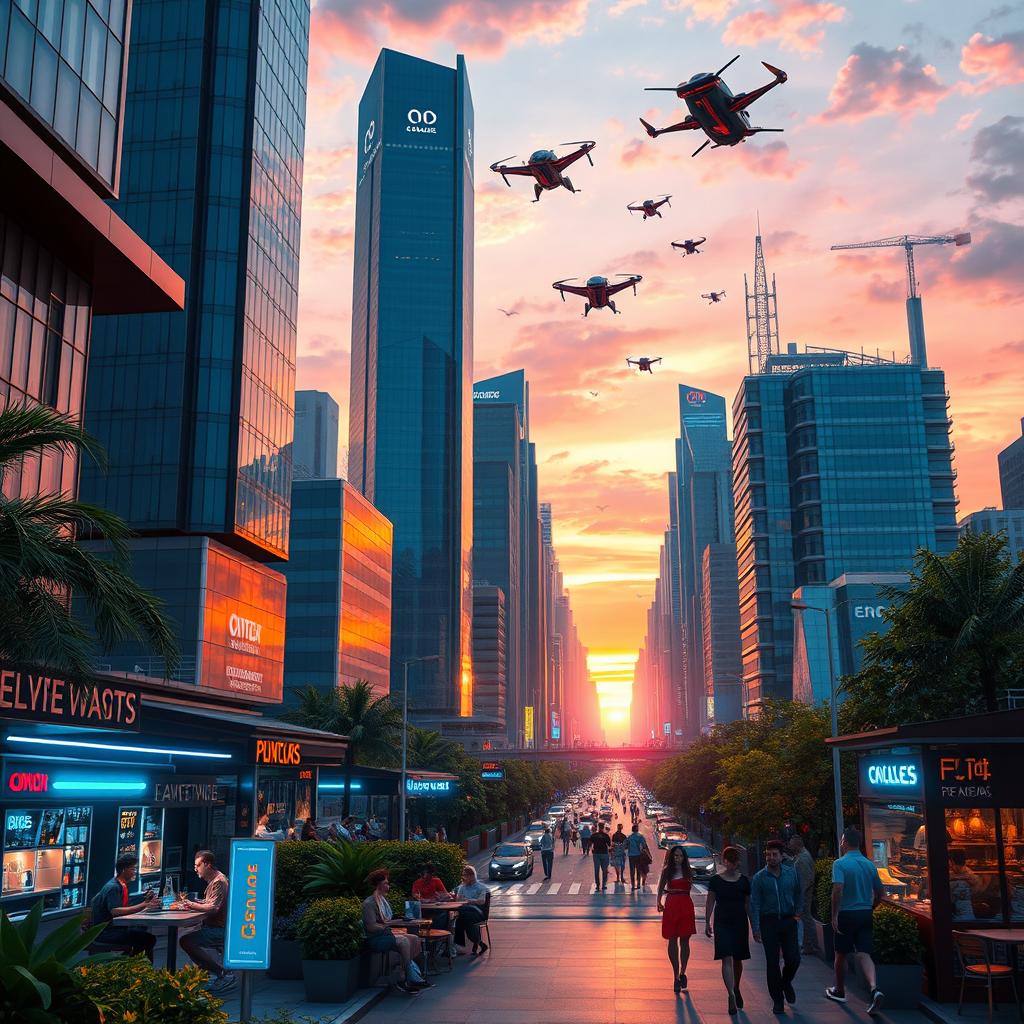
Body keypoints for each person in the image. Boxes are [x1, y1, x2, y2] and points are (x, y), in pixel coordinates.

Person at [826, 826, 886, 1015]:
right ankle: (874, 988)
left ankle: (839, 990)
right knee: (864, 953)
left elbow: (837, 889)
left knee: (841, 953)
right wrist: (872, 906)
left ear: (844, 842)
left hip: (846, 913)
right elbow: (880, 892)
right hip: (865, 913)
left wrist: (834, 914)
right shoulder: (869, 864)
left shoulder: (840, 864)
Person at [750, 839, 802, 1014]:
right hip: (769, 922)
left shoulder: (791, 873)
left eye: (774, 855)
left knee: (793, 958)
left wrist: (797, 914)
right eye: (768, 855)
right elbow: (755, 904)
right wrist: (756, 928)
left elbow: (799, 892)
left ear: (781, 856)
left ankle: (786, 982)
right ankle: (777, 999)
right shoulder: (759, 878)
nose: (770, 858)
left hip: (788, 921)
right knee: (772, 963)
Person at [361, 868, 429, 993]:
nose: (388, 885)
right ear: (379, 885)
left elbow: (387, 921)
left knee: (414, 938)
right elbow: (371, 927)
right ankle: (408, 977)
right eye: (386, 883)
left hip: (385, 933)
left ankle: (403, 975)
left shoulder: (383, 900)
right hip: (375, 938)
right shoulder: (370, 903)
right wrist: (389, 926)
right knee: (403, 940)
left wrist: (395, 923)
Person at [178, 850, 235, 992]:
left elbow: (213, 908)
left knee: (186, 941)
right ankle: (209, 974)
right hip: (214, 926)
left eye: (198, 865)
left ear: (207, 865)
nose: (195, 868)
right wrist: (196, 902)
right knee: (188, 936)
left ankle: (221, 972)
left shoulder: (219, 882)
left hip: (221, 929)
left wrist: (190, 904)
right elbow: (211, 902)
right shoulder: (214, 881)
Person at [705, 847, 751, 1015]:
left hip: (739, 922)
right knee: (726, 958)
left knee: (738, 959)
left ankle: (736, 987)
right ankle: (731, 994)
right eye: (728, 860)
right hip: (722, 923)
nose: (730, 863)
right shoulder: (716, 880)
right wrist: (707, 922)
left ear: (738, 861)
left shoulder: (744, 881)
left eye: (733, 860)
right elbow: (710, 901)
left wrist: (755, 926)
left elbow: (748, 905)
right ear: (723, 860)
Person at [90, 854, 158, 961]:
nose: (134, 872)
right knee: (148, 939)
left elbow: (124, 906)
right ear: (123, 870)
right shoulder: (113, 887)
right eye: (132, 869)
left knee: (142, 930)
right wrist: (144, 905)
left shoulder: (121, 884)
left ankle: (131, 964)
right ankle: (132, 966)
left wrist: (145, 900)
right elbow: (115, 911)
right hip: (106, 933)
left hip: (114, 928)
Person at [657, 845, 696, 994]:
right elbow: (660, 887)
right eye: (675, 856)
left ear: (684, 857)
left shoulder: (688, 871)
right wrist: (659, 902)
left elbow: (690, 887)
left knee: (685, 941)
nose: (677, 858)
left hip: (685, 904)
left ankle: (683, 971)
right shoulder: (668, 870)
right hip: (672, 904)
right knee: (672, 939)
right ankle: (675, 976)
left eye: (680, 856)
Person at [789, 835, 817, 954]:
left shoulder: (803, 859)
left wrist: (799, 896)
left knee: (806, 918)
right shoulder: (801, 856)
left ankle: (809, 946)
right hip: (803, 894)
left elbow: (805, 880)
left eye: (791, 844)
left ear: (797, 845)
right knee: (805, 918)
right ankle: (807, 945)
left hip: (804, 895)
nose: (790, 847)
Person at [454, 865, 490, 956]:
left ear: (472, 875)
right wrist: (463, 899)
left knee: (460, 918)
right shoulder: (462, 887)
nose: (464, 877)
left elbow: (482, 901)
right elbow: (458, 900)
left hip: (478, 912)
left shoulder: (481, 887)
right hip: (465, 912)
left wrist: (469, 901)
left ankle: (459, 945)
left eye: (465, 875)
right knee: (464, 918)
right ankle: (479, 943)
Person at [626, 823, 649, 890]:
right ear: (637, 829)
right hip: (638, 855)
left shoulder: (629, 837)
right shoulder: (640, 836)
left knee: (632, 871)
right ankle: (638, 884)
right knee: (638, 870)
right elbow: (644, 845)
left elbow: (626, 845)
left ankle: (633, 885)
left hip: (631, 855)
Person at [591, 823, 612, 891]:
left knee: (596, 870)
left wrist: (592, 849)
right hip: (604, 854)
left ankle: (597, 885)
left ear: (598, 827)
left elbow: (590, 843)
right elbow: (609, 844)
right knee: (604, 870)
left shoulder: (594, 835)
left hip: (596, 854)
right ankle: (603, 885)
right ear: (603, 827)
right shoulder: (606, 835)